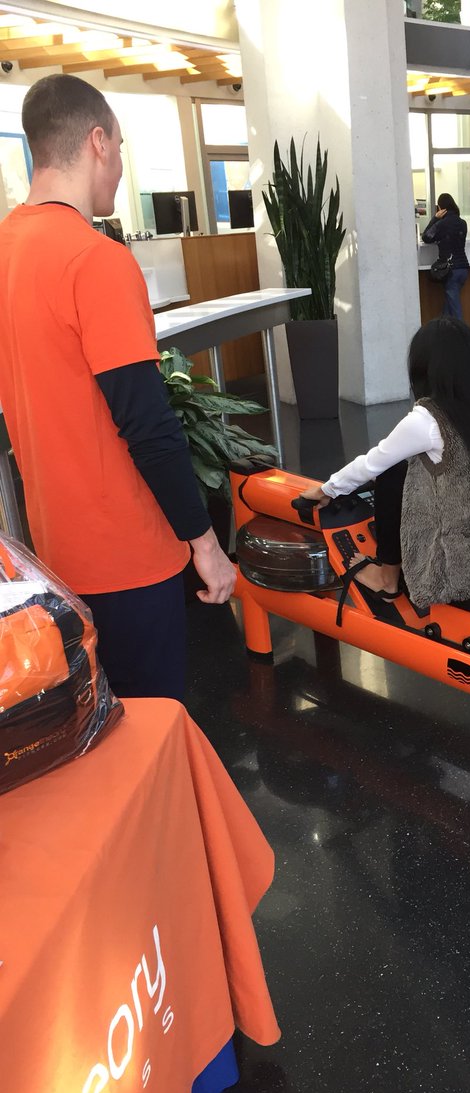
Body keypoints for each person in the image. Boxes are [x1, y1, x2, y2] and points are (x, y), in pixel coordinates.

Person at [0, 75, 234, 702]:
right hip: (127, 559)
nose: (123, 168)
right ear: (97, 141)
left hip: (55, 556)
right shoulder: (95, 259)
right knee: (152, 732)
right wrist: (206, 547)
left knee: (97, 736)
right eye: (123, 148)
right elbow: (148, 423)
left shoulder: (7, 248)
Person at [300, 318, 470, 608]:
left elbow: (372, 463)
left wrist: (327, 490)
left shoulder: (428, 418)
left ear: (422, 368)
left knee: (390, 473)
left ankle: (386, 578)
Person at [421, 192, 469, 321]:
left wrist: (435, 218)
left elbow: (426, 236)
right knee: (449, 305)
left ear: (440, 208)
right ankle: (443, 332)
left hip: (450, 270)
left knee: (455, 310)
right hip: (463, 268)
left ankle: (463, 337)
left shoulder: (442, 224)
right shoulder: (462, 223)